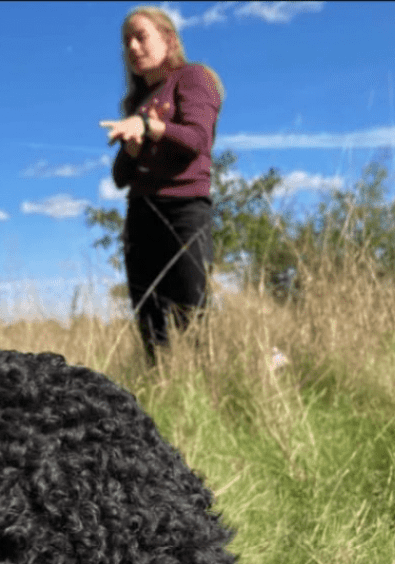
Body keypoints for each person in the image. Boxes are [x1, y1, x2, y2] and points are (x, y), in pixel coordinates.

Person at [100, 7, 224, 362]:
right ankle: (159, 388)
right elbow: (120, 177)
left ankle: (203, 391)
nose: (133, 48)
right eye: (127, 42)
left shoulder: (193, 78)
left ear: (168, 40)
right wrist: (134, 150)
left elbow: (198, 139)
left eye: (141, 37)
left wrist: (152, 128)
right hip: (141, 213)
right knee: (149, 317)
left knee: (192, 312)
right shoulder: (136, 103)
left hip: (184, 210)